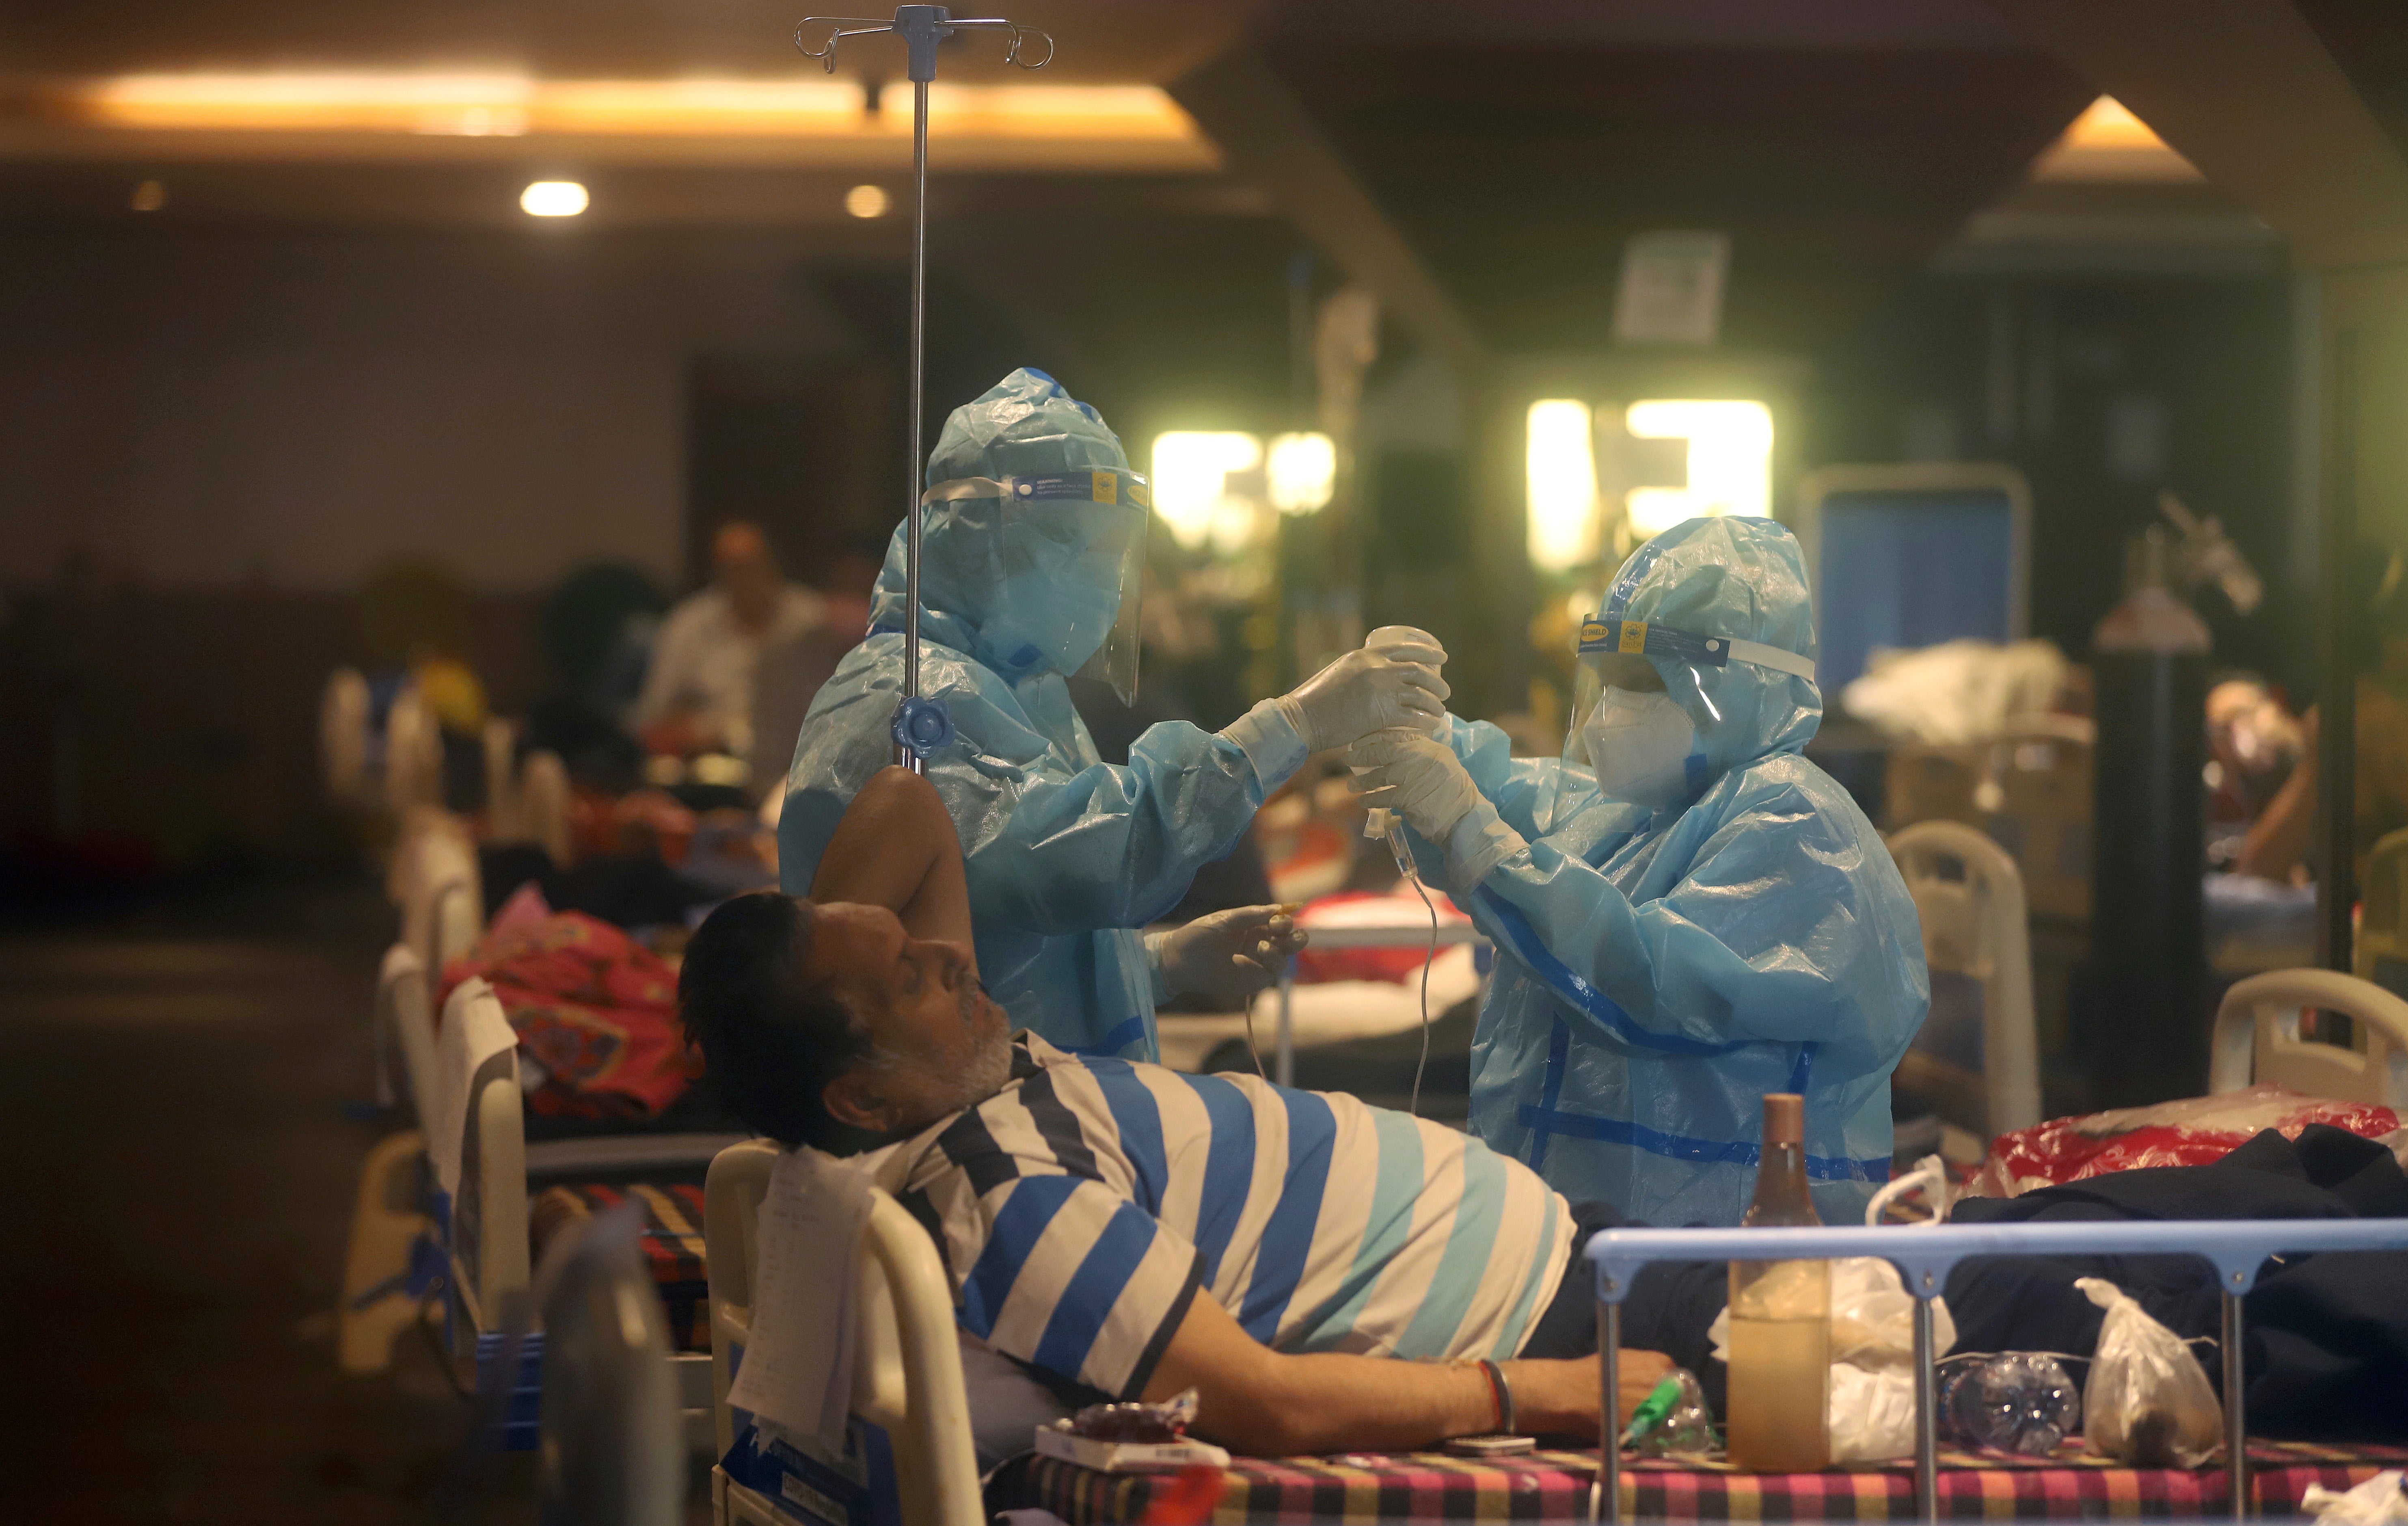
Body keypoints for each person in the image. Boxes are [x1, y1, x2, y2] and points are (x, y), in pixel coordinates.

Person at [682, 763, 1676, 1456]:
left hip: (1562, 1250)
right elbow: (1262, 1402)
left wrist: (823, 966)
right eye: (911, 977)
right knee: (1814, 1350)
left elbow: (908, 807)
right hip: (1546, 1321)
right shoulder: (1010, 1197)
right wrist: (1545, 1391)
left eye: (916, 943)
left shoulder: (955, 1078)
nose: (952, 956)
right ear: (859, 1094)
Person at [777, 368, 1447, 1061]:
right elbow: (1072, 861)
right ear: (977, 531)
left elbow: (1017, 941)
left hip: (1041, 1102)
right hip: (968, 1118)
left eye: (1112, 551)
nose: (1102, 578)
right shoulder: (912, 696)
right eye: (1076, 546)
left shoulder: (1022, 691)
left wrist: (1160, 965)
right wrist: (1292, 724)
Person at [1348, 517, 1929, 1226]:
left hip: (1731, 1242)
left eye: (1644, 681)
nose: (1614, 710)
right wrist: (1427, 732)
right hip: (1601, 1226)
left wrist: (1473, 832)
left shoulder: (1795, 823)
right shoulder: (1655, 807)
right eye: (1607, 680)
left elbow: (1649, 981)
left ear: (1741, 683)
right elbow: (1534, 803)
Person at [2240, 542, 2408, 885]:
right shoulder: (2371, 719)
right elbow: (2261, 868)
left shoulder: (2363, 711)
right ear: (2406, 617)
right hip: (2371, 918)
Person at [636, 521, 826, 758]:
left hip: (795, 756)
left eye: (753, 567)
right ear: (718, 573)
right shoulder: (688, 625)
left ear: (774, 565)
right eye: (734, 569)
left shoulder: (813, 619)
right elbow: (654, 717)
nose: (746, 579)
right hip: (708, 762)